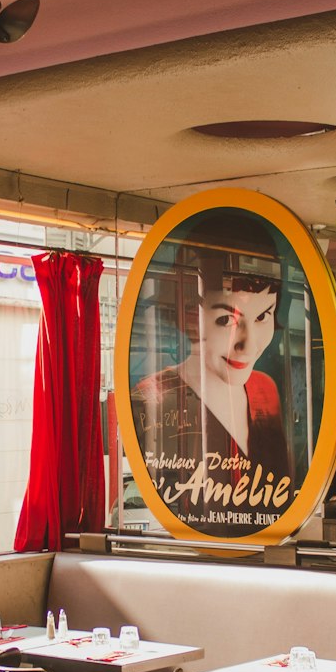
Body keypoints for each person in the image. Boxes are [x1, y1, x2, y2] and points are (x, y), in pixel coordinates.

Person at [130, 211, 293, 535]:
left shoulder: (265, 390)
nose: (247, 345)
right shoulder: (154, 397)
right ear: (187, 318)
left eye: (264, 316)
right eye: (225, 321)